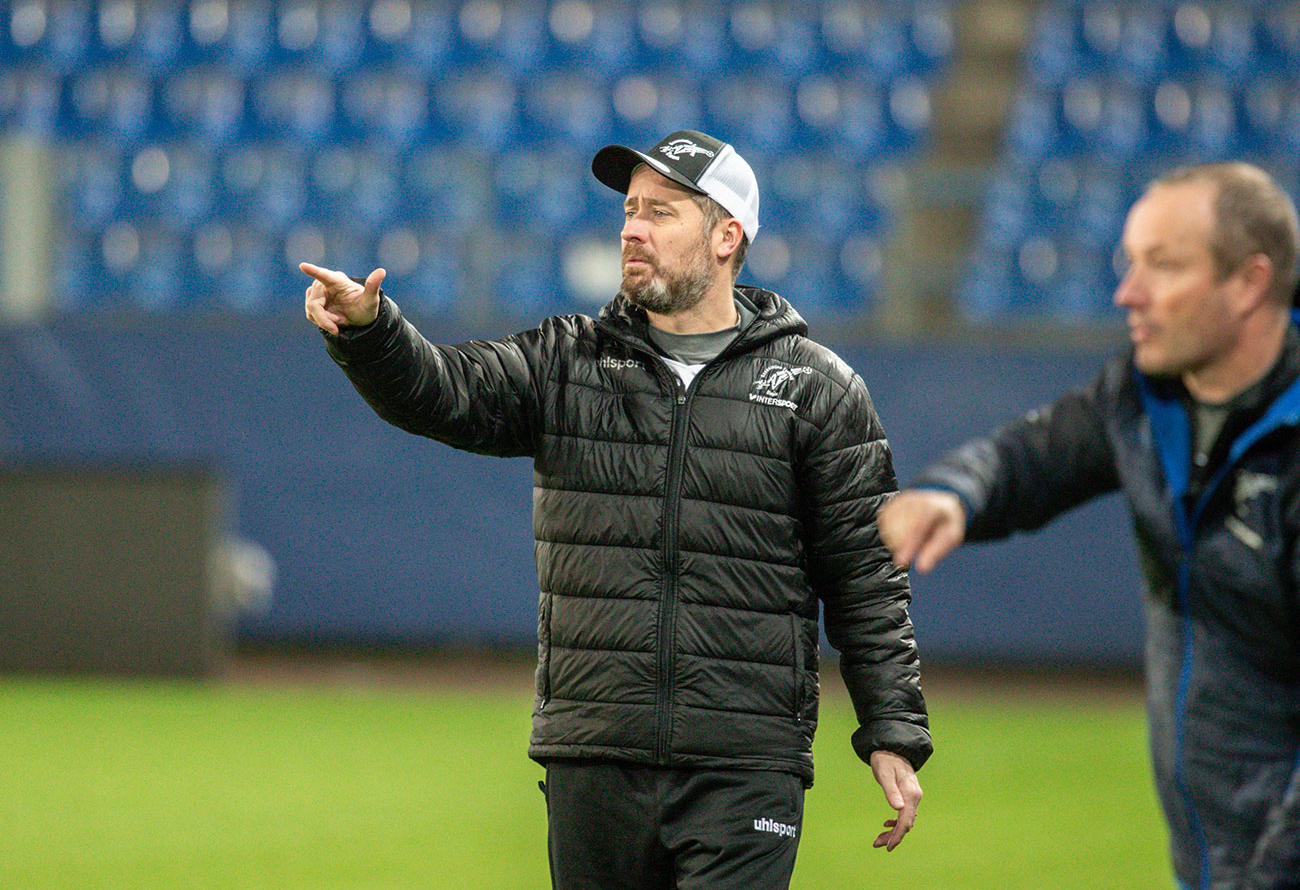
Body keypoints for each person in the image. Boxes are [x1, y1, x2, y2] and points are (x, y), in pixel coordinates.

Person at [302, 129, 931, 889]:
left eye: (661, 212)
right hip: (594, 753)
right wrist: (372, 333)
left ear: (727, 234)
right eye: (630, 210)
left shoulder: (818, 388)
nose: (632, 228)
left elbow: (866, 577)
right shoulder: (569, 361)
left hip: (745, 761)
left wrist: (892, 728)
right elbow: (446, 389)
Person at [878, 161, 1300, 890]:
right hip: (1211, 861)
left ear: (1249, 282)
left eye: (1162, 266)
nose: (1127, 294)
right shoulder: (1141, 397)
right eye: (1129, 263)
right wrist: (954, 493)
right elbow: (1031, 456)